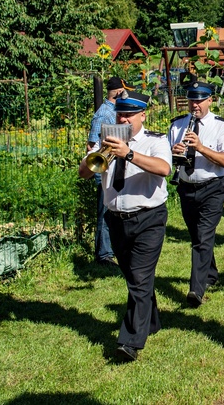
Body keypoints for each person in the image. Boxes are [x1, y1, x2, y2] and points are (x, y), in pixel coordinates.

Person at [78, 90, 172, 362]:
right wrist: (96, 153)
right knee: (134, 277)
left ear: (143, 115)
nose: (123, 119)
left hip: (148, 218)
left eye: (129, 114)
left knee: (139, 278)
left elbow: (164, 168)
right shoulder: (107, 140)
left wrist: (129, 154)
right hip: (116, 219)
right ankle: (151, 321)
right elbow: (84, 173)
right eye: (120, 114)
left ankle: (129, 342)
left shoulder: (156, 140)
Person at [169, 81, 224, 307]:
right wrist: (173, 152)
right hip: (186, 187)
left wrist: (201, 148)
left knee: (203, 236)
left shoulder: (221, 126)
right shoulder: (177, 125)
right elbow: (166, 158)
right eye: (191, 100)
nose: (194, 105)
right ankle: (211, 272)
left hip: (212, 187)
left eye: (199, 101)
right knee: (198, 235)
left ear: (210, 100)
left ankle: (196, 290)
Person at [86, 76, 130, 266]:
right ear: (119, 92)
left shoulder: (116, 111)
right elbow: (91, 145)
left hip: (117, 169)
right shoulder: (104, 114)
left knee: (114, 212)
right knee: (105, 213)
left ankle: (114, 249)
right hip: (105, 170)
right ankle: (104, 254)